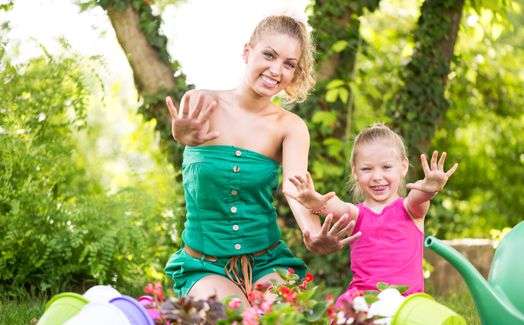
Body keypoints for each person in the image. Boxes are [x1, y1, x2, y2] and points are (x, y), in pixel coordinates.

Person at [163, 15, 360, 305]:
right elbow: (184, 136)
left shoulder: (290, 126)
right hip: (205, 264)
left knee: (283, 321)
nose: (276, 70)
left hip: (266, 262)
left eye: (289, 64)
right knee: (234, 323)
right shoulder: (201, 102)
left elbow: (295, 188)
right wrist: (181, 136)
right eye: (269, 55)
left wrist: (312, 232)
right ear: (247, 52)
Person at [285, 123, 458, 295]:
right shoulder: (356, 214)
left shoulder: (410, 209)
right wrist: (316, 202)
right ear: (355, 171)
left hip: (406, 303)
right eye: (367, 169)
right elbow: (337, 207)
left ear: (403, 166)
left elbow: (419, 197)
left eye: (386, 167)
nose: (377, 177)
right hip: (364, 300)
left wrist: (429, 188)